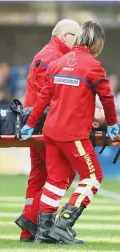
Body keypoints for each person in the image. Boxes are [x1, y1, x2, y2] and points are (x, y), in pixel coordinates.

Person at [20, 21, 119, 244]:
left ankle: (43, 231)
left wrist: (30, 123)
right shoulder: (93, 66)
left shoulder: (58, 63)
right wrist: (112, 123)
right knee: (93, 177)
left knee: (54, 181)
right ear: (96, 42)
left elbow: (44, 96)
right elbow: (107, 98)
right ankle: (64, 224)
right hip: (72, 134)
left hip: (51, 132)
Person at [15, 19, 80, 242]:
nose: (80, 42)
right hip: (47, 126)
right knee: (61, 175)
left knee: (38, 177)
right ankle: (29, 219)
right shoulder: (55, 57)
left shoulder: (46, 54)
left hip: (35, 125)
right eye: (77, 37)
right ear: (65, 36)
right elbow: (52, 96)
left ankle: (28, 231)